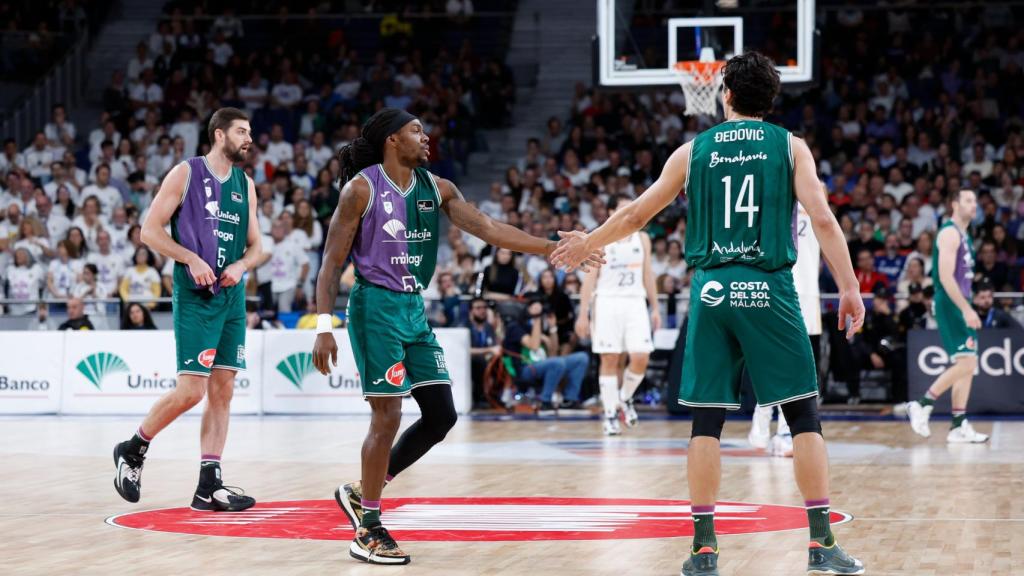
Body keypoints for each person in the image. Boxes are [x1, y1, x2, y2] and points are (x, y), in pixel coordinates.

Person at [552, 52, 866, 575]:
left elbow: (636, 213)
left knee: (707, 422)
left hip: (712, 290)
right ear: (770, 100)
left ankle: (703, 548)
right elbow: (824, 220)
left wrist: (589, 242)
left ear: (725, 95)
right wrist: (850, 288)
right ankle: (820, 544)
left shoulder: (693, 150)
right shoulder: (791, 147)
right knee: (803, 416)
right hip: (769, 287)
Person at [310, 108, 601, 566]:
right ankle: (368, 528)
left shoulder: (437, 188)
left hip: (413, 308)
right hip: (375, 307)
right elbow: (330, 263)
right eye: (416, 130)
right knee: (387, 416)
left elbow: (487, 229)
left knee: (441, 415)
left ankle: (363, 489)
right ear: (391, 140)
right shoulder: (361, 189)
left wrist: (550, 248)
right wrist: (324, 327)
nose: (426, 137)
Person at [112, 107, 263, 513]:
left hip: (231, 294)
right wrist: (189, 258)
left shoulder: (245, 185)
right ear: (218, 134)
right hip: (195, 294)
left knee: (223, 389)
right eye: (242, 132)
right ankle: (133, 448)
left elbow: (258, 246)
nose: (249, 139)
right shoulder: (186, 173)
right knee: (192, 390)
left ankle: (208, 485)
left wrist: (241, 265)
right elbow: (149, 231)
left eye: (250, 132)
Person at [907, 189, 989, 444]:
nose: (973, 205)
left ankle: (958, 425)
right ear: (954, 204)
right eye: (968, 200)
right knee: (967, 364)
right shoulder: (950, 233)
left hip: (959, 302)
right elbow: (944, 277)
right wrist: (966, 308)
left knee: (968, 364)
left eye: (975, 201)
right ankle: (922, 404)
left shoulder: (964, 234)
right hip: (951, 304)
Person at [575, 195, 660, 436]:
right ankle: (610, 414)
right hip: (607, 302)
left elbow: (648, 274)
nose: (628, 213)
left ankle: (625, 398)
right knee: (610, 359)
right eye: (622, 209)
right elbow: (589, 280)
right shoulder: (600, 239)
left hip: (635, 302)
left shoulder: (642, 238)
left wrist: (654, 307)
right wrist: (583, 313)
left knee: (641, 357)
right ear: (612, 212)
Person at [749, 200, 822, 456]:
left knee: (794, 362)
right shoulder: (773, 201)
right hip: (776, 284)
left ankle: (775, 427)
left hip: (807, 291)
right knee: (775, 361)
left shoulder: (817, 203)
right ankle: (770, 424)